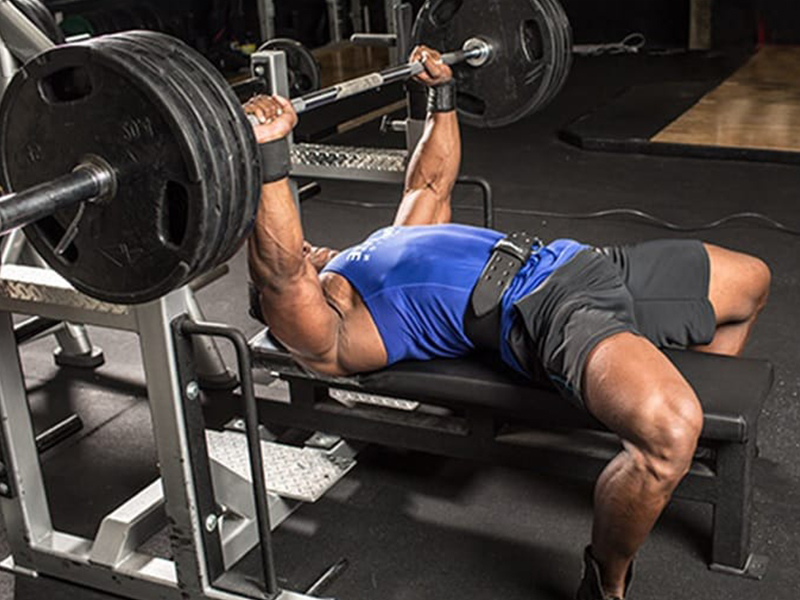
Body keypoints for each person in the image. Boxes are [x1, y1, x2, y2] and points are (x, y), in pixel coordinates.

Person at [244, 46, 771, 600]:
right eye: (300, 252)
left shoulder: (378, 245)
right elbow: (280, 272)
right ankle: (606, 581)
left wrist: (441, 94)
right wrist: (271, 154)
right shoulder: (333, 326)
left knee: (751, 281)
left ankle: (694, 447)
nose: (304, 245)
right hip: (547, 311)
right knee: (669, 429)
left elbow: (430, 184)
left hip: (585, 263)